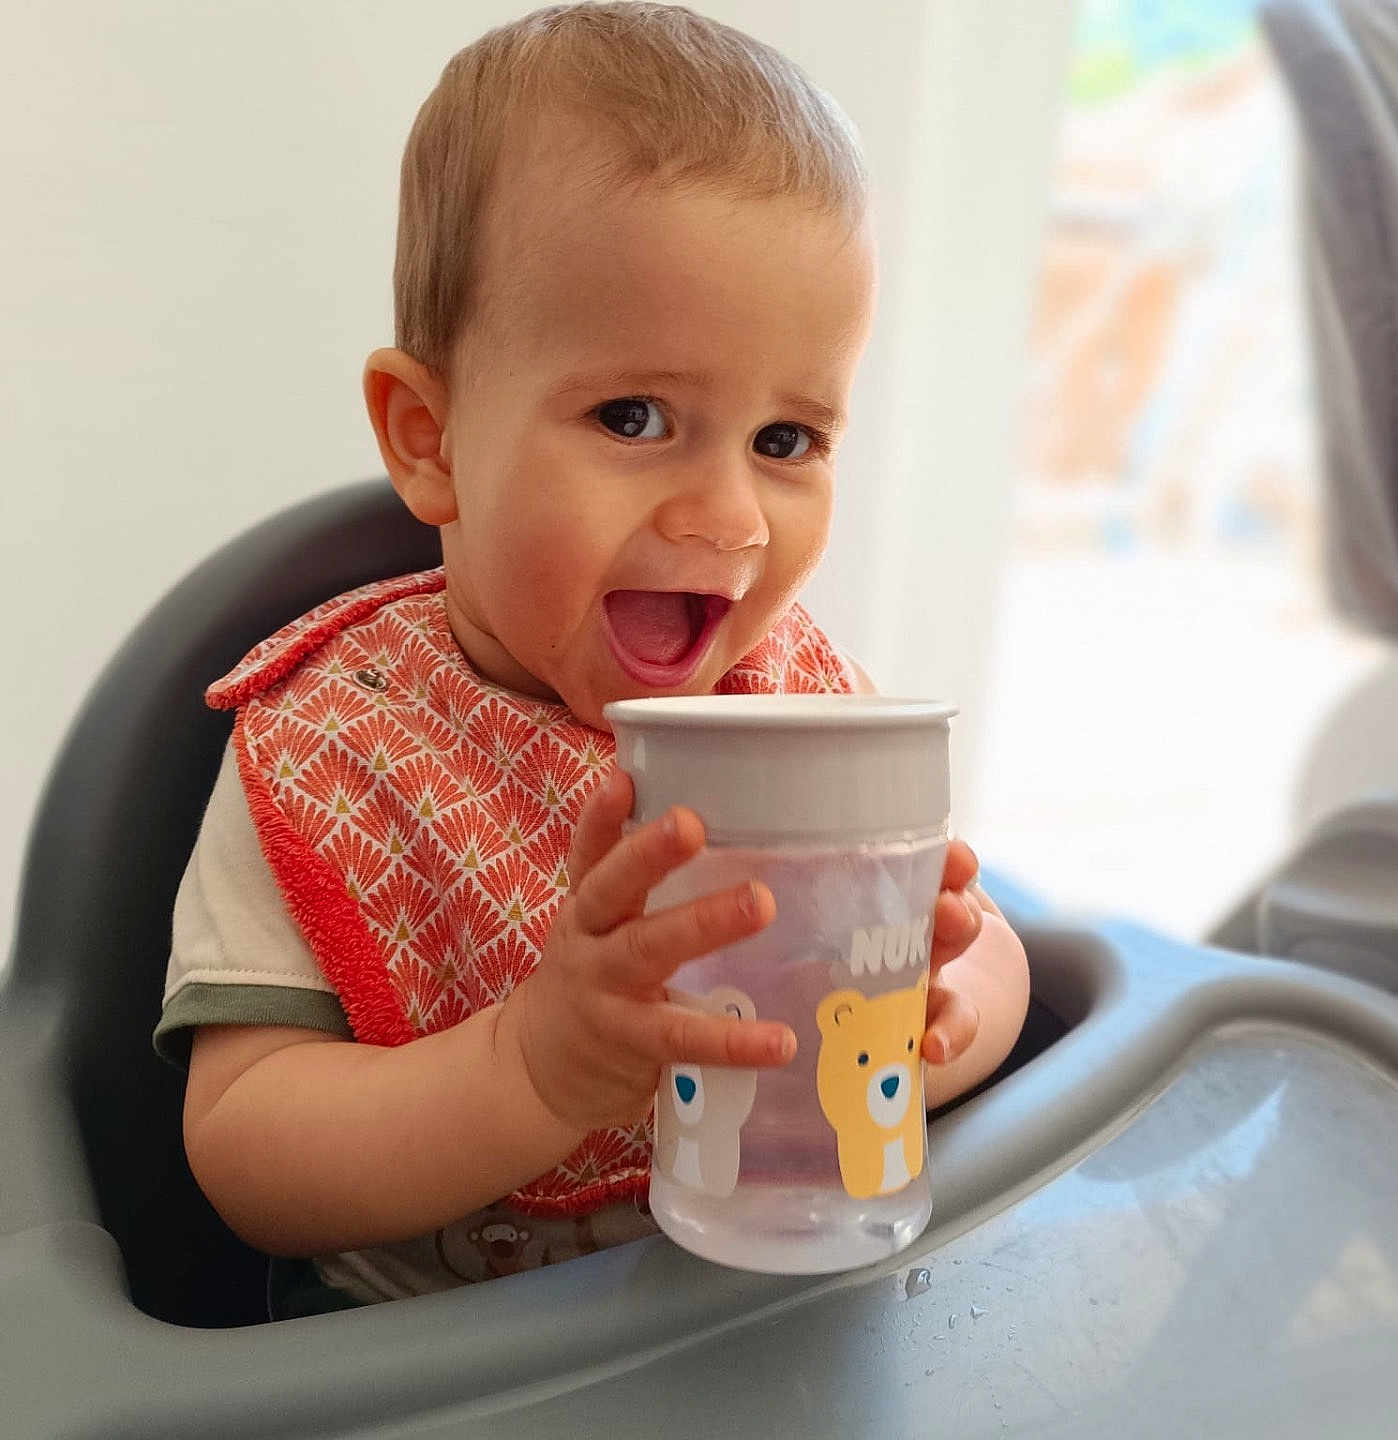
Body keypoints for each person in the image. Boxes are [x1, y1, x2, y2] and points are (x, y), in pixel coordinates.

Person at [154, 2, 1030, 1314]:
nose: (731, 518)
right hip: (434, 1365)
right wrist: (533, 1069)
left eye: (787, 441)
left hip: (761, 1302)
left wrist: (929, 1015)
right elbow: (245, 1154)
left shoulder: (792, 703)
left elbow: (1008, 952)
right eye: (635, 416)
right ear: (429, 437)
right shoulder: (338, 748)